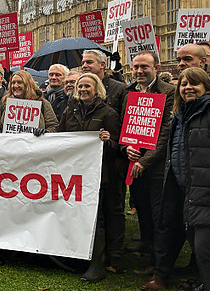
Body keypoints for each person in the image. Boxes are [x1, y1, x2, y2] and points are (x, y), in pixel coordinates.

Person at [142, 67, 210, 291]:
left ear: (206, 86)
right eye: (183, 84)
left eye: (194, 83)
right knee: (202, 248)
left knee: (205, 249)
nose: (188, 88)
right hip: (188, 192)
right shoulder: (179, 116)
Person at [57, 73, 121, 282]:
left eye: (87, 86)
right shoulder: (70, 111)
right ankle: (76, 256)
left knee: (96, 217)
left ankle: (97, 264)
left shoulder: (108, 113)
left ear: (97, 90)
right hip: (73, 174)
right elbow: (59, 137)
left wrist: (108, 140)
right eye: (80, 86)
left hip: (98, 175)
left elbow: (118, 147)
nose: (83, 89)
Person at [119, 51, 176, 273]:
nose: (139, 71)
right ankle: (146, 245)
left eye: (144, 67)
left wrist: (146, 160)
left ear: (157, 68)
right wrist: (126, 148)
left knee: (158, 214)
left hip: (157, 166)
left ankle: (158, 264)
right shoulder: (129, 92)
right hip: (134, 163)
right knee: (141, 207)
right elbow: (125, 125)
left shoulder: (169, 92)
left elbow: (166, 131)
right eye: (136, 67)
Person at [79, 49, 128, 269]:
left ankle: (115, 255)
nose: (85, 65)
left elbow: (126, 125)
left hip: (110, 162)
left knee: (112, 210)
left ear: (102, 64)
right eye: (83, 62)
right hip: (83, 167)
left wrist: (120, 153)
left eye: (89, 62)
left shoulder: (120, 90)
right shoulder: (74, 107)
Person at [0, 70, 59, 134]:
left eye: (19, 82)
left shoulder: (43, 104)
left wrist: (45, 133)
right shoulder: (4, 104)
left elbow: (53, 126)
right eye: (13, 83)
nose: (16, 86)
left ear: (28, 84)